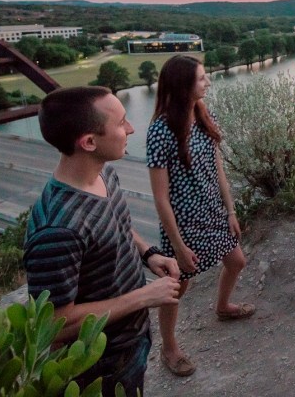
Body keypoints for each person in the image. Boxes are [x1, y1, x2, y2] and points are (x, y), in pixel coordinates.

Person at [24, 86, 181, 397]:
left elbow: (116, 224)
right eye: (121, 123)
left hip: (132, 339)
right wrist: (144, 297)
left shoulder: (104, 172)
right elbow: (54, 324)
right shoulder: (58, 229)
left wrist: (148, 253)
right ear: (89, 142)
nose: (131, 128)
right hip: (100, 362)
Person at [147, 54, 254, 378]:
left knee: (237, 261)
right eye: (202, 78)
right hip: (183, 225)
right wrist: (178, 246)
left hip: (214, 213)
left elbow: (218, 170)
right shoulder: (160, 131)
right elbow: (160, 198)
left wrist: (230, 211)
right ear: (183, 86)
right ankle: (169, 348)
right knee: (177, 288)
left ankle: (222, 307)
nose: (208, 81)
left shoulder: (206, 115)